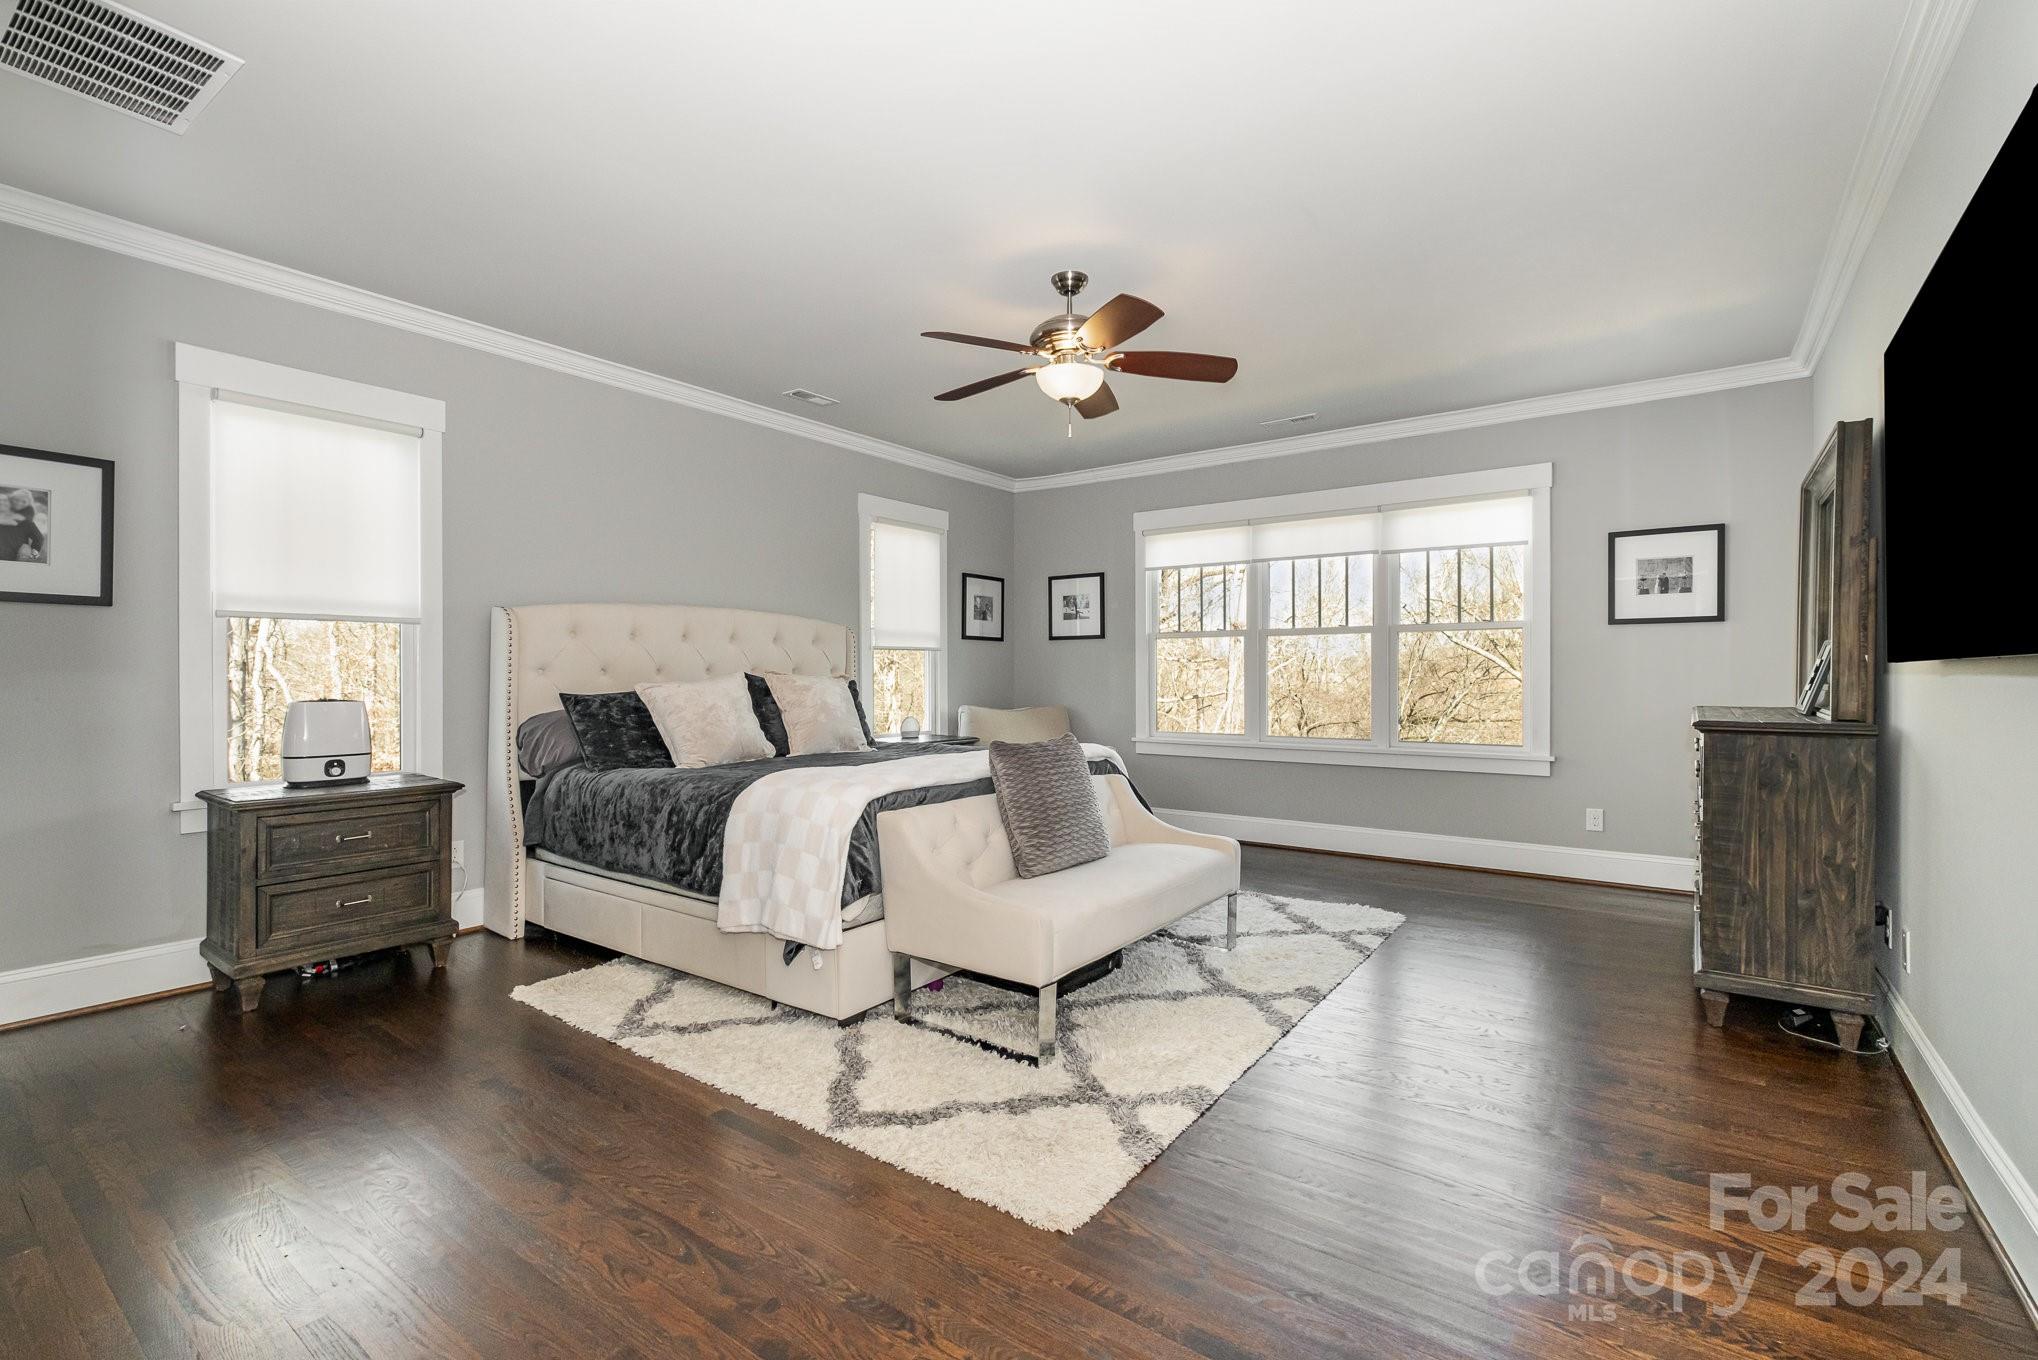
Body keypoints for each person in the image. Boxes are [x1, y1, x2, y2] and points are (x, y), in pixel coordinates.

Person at [0, 488, 47, 563]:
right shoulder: (4, 510)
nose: (19, 503)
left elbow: (38, 538)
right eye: (16, 500)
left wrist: (34, 553)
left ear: (28, 504)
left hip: (12, 557)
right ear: (10, 500)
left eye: (23, 502)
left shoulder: (26, 520)